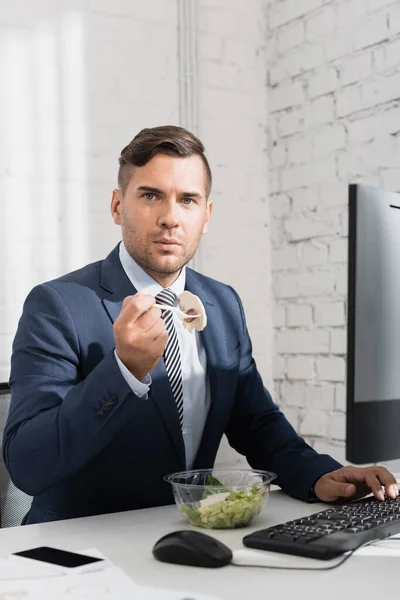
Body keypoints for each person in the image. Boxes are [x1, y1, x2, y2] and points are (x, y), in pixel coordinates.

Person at [4, 125, 398, 525]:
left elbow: (256, 424)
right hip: (82, 551)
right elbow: (28, 464)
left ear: (206, 215)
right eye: (151, 195)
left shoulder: (223, 303)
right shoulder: (57, 305)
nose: (170, 218)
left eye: (188, 199)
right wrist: (123, 372)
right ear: (118, 206)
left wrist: (319, 475)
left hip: (189, 533)